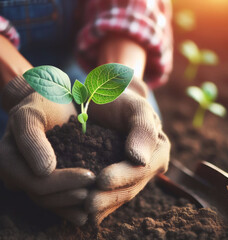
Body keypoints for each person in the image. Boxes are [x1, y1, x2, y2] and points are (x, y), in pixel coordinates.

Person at [0, 0, 172, 226]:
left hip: (85, 52)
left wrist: (126, 87)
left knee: (141, 129)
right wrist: (23, 90)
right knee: (19, 149)